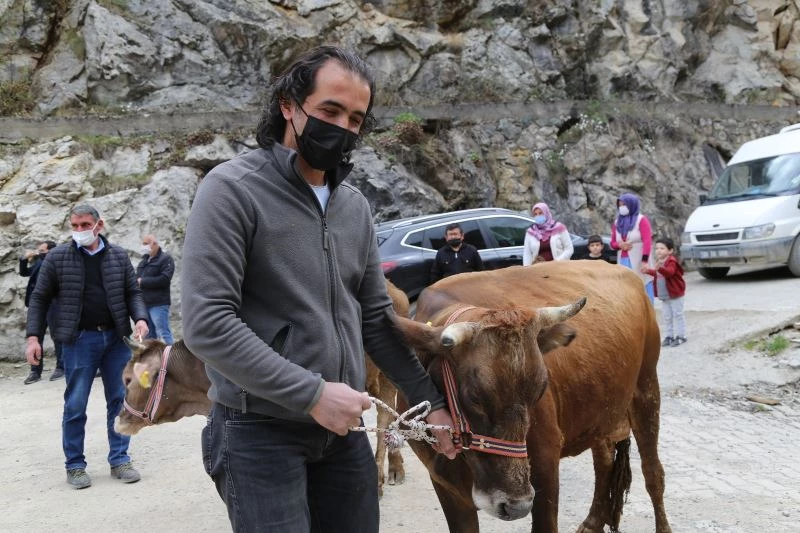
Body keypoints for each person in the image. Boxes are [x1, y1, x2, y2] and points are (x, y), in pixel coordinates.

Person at [180, 46, 456, 533]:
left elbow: (376, 321)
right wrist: (311, 394)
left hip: (342, 430)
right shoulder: (231, 190)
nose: (343, 127)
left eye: (356, 118)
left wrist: (430, 402)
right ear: (289, 104)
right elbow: (208, 324)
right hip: (258, 431)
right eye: (330, 110)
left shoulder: (354, 207)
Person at [25, 204, 149, 490]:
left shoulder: (118, 256)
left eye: (84, 225)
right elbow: (39, 298)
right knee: (76, 404)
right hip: (79, 341)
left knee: (120, 401)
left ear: (99, 225)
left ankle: (120, 459)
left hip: (116, 340)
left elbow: (133, 292)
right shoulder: (57, 258)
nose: (79, 230)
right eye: (75, 225)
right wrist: (33, 337)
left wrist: (141, 318)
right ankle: (75, 465)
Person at [20, 240, 64, 383]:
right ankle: (35, 371)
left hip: (54, 305)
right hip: (38, 306)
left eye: (42, 251)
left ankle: (61, 367)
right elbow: (24, 272)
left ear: (51, 251)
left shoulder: (57, 262)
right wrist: (24, 259)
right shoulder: (39, 262)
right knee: (35, 337)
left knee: (57, 336)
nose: (39, 253)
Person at [641, 237, 687, 347]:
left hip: (675, 294)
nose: (659, 251)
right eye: (657, 248)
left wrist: (659, 268)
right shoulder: (659, 262)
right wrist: (648, 271)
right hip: (665, 295)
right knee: (667, 316)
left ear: (670, 251)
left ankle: (681, 336)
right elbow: (658, 274)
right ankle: (669, 336)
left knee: (678, 315)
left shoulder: (671, 261)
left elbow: (669, 273)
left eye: (662, 248)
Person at [611, 192, 654, 301]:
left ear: (631, 205)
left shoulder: (641, 220)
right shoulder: (617, 223)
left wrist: (645, 261)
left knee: (643, 283)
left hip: (639, 259)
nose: (622, 207)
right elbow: (612, 243)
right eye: (620, 205)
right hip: (623, 260)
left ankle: (648, 308)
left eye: (624, 205)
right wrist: (620, 245)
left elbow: (647, 241)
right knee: (627, 287)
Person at [136, 234, 175, 344]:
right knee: (148, 337)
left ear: (154, 243)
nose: (143, 246)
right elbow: (137, 278)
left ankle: (171, 354)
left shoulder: (165, 259)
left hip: (159, 304)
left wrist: (143, 282)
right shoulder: (144, 260)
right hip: (144, 304)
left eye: (145, 244)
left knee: (163, 333)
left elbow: (165, 279)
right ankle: (153, 356)